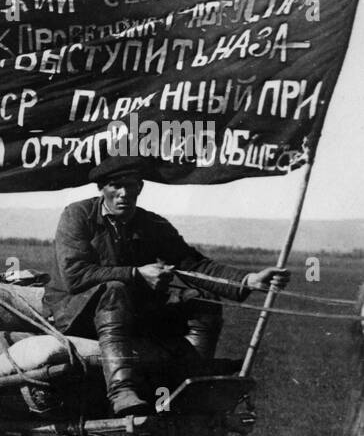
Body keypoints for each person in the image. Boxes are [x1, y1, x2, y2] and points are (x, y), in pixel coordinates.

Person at [44, 157, 288, 415]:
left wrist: (248, 280)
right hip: (74, 312)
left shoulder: (153, 224)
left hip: (131, 313)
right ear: (101, 188)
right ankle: (121, 391)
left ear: (140, 187)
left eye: (131, 185)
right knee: (116, 288)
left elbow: (193, 264)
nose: (124, 193)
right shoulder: (77, 215)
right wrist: (136, 273)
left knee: (202, 298)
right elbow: (75, 275)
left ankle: (194, 381)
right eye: (115, 185)